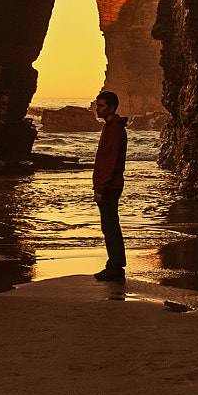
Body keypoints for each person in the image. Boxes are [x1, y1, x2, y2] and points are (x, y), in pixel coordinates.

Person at [91, 90, 128, 280]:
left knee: (111, 226)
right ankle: (115, 264)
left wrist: (100, 188)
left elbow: (110, 161)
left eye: (101, 106)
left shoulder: (114, 129)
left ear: (111, 108)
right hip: (110, 184)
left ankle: (115, 266)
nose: (96, 109)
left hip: (110, 186)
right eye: (97, 105)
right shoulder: (110, 127)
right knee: (110, 225)